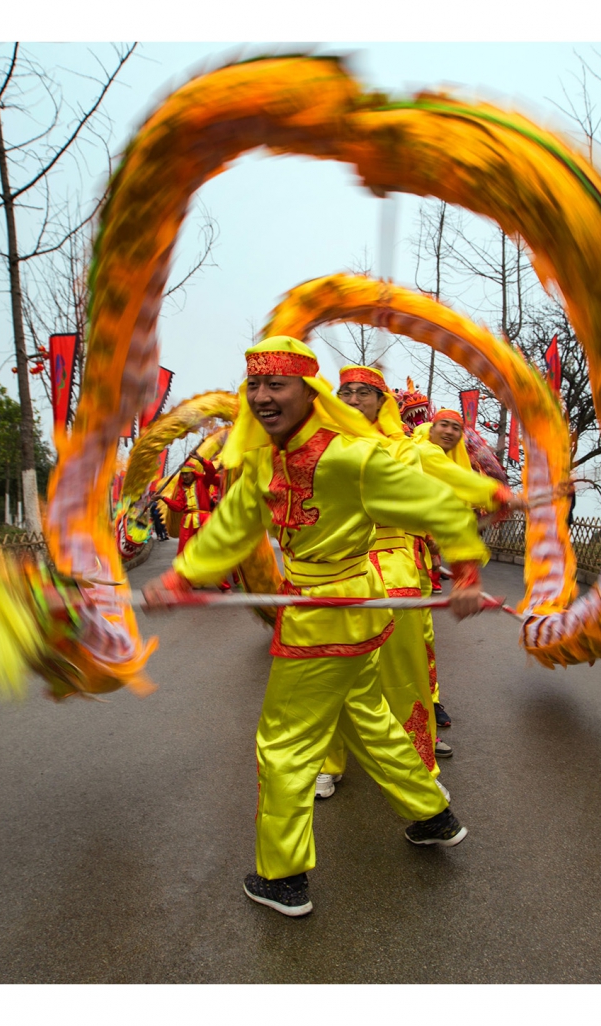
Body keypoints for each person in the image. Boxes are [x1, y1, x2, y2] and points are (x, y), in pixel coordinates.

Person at [141, 336, 490, 918]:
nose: (262, 397)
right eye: (254, 385)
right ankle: (433, 816)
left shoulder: (354, 457)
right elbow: (231, 526)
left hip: (327, 619)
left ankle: (283, 878)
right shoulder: (262, 460)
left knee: (283, 744)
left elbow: (441, 506)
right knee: (369, 719)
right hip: (347, 616)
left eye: (275, 385)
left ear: (309, 391)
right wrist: (179, 579)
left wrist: (468, 572)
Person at [315, 365, 445, 799]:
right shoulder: (313, 446)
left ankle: (418, 768)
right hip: (331, 572)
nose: (352, 400)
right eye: (345, 392)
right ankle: (326, 762)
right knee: (327, 672)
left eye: (363, 393)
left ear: (381, 402)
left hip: (394, 570)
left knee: (403, 673)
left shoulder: (404, 449)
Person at [412, 408, 520, 739]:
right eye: (442, 424)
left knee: (418, 645)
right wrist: (499, 494)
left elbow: (454, 516)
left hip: (409, 568)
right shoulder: (412, 450)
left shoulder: (446, 465)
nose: (448, 431)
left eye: (455, 427)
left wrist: (465, 577)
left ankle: (424, 722)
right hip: (359, 567)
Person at [158, 456, 219, 557]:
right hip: (187, 523)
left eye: (186, 474)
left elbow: (211, 472)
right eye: (182, 474)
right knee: (184, 551)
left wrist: (201, 459)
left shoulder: (203, 481)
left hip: (204, 520)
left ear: (193, 473)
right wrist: (163, 498)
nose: (184, 477)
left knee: (207, 548)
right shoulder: (182, 489)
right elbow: (178, 507)